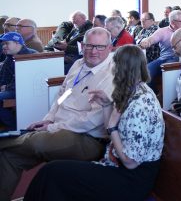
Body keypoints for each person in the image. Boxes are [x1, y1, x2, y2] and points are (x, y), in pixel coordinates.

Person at [24, 45, 164, 201]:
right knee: (52, 173)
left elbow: (130, 163)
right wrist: (105, 105)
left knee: (52, 173)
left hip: (129, 179)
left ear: (121, 68)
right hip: (114, 164)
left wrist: (112, 129)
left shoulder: (140, 104)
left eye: (114, 65)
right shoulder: (133, 89)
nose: (112, 70)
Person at [0, 27, 115, 200]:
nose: (93, 51)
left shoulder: (112, 74)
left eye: (99, 47)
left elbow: (93, 120)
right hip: (60, 128)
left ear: (109, 48)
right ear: (82, 46)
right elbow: (61, 97)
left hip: (87, 138)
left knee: (35, 142)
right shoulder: (78, 64)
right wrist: (47, 120)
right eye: (88, 46)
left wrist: (54, 126)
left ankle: (6, 140)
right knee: (9, 156)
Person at [139, 10, 181, 86]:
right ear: (172, 22)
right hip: (163, 58)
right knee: (147, 70)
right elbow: (152, 38)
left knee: (168, 67)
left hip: (179, 59)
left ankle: (166, 95)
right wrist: (147, 42)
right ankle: (152, 94)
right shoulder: (162, 31)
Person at [0, 32, 37, 130]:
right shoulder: (9, 57)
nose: (3, 46)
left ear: (17, 43)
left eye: (7, 43)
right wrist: (3, 86)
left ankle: (14, 128)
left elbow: (26, 81)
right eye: (3, 44)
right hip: (12, 89)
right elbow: (3, 78)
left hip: (25, 90)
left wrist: (6, 87)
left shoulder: (30, 56)